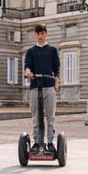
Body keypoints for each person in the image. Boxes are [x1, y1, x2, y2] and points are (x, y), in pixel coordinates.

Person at [23, 23, 60, 151]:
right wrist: (28, 72)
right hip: (35, 87)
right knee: (36, 117)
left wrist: (56, 83)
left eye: (42, 33)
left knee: (50, 116)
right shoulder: (31, 51)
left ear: (46, 34)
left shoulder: (52, 50)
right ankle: (37, 142)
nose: (40, 36)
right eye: (38, 34)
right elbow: (27, 65)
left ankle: (50, 142)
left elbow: (57, 69)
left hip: (49, 86)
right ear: (35, 35)